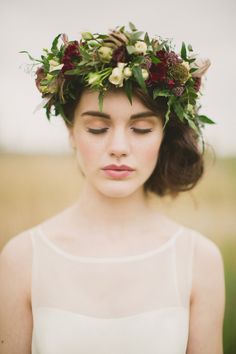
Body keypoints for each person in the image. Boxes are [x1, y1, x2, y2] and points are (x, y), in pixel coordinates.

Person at [0, 23, 225, 354]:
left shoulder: (199, 260)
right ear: (70, 132)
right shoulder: (21, 259)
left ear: (164, 137)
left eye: (142, 128)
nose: (119, 146)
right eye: (97, 128)